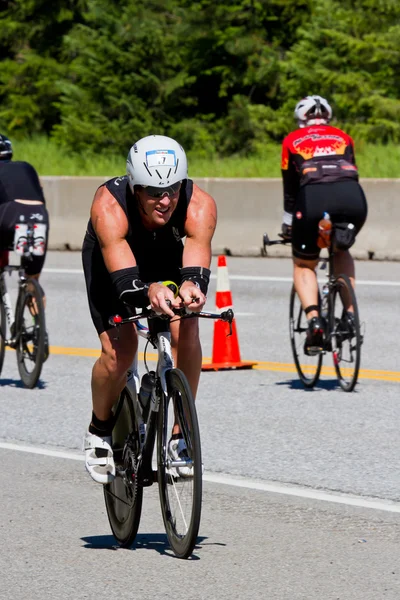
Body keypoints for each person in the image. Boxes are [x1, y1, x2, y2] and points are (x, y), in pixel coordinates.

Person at [82, 134, 217, 484]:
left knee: (187, 322)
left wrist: (191, 288)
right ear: (135, 188)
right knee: (120, 351)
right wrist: (149, 291)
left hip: (165, 258)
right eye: (154, 192)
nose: (166, 200)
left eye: (172, 189)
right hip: (113, 265)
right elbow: (126, 285)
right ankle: (99, 429)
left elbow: (197, 263)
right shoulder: (108, 206)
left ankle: (180, 434)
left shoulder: (199, 204)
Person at [280, 95, 368, 354]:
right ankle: (350, 315)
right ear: (328, 117)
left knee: (304, 263)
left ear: (300, 119)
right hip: (353, 198)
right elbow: (352, 171)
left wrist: (288, 225)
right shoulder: (343, 136)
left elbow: (291, 191)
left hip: (313, 199)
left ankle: (314, 320)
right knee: (341, 249)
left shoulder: (291, 140)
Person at [0, 134, 50, 356]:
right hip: (38, 216)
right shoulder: (26, 167)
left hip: (9, 215)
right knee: (31, 278)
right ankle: (40, 330)